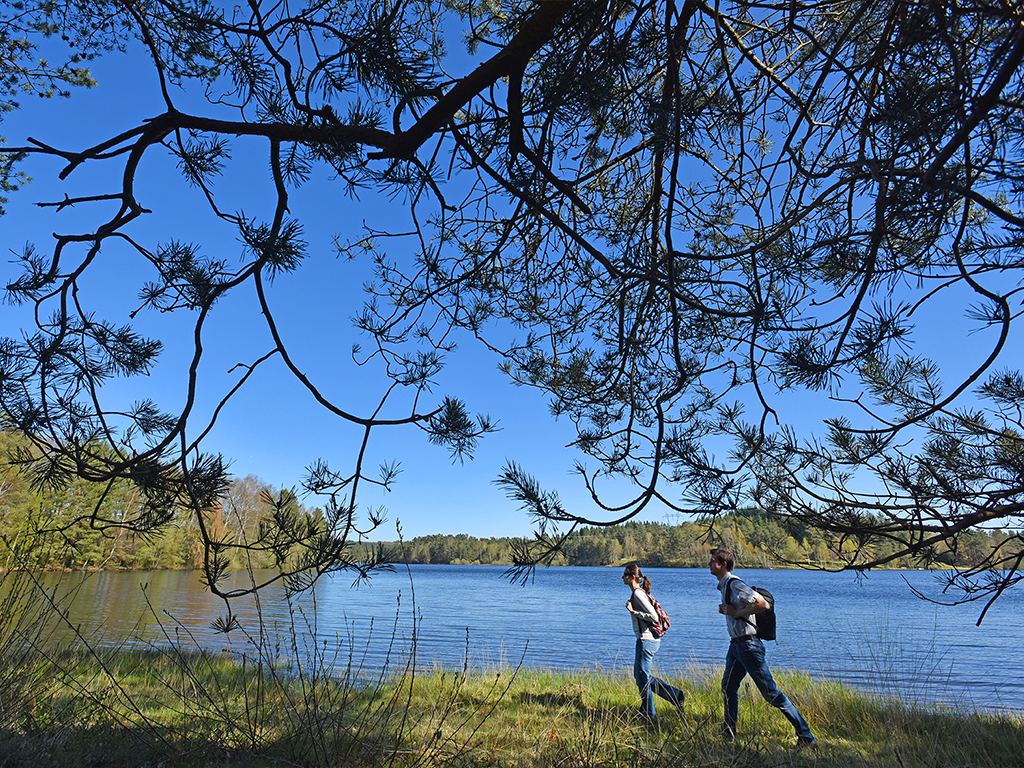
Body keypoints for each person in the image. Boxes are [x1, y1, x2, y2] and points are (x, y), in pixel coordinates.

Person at [709, 547, 817, 749]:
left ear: (723, 564)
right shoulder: (724, 586)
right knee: (728, 687)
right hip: (736, 646)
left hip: (749, 646)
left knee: (771, 693)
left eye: (713, 560)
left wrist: (736, 612)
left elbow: (761, 604)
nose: (709, 564)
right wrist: (729, 610)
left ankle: (806, 737)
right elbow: (738, 610)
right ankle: (728, 733)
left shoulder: (735, 584)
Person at [622, 563, 685, 724]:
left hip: (646, 641)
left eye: (625, 575)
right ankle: (675, 695)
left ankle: (649, 714)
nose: (622, 578)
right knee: (641, 676)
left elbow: (654, 617)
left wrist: (634, 612)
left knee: (642, 679)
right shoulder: (639, 593)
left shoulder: (638, 594)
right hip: (649, 640)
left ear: (632, 578)